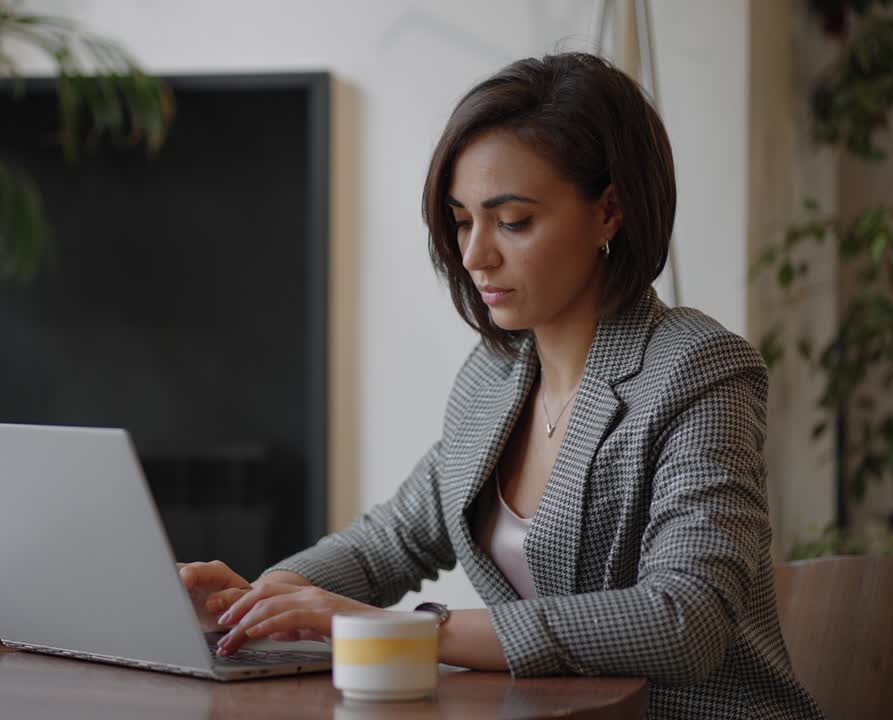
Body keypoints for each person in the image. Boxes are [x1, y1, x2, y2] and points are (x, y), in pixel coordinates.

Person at [179, 52, 825, 718]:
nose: (473, 255)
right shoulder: (492, 378)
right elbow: (391, 541)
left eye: (512, 221)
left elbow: (683, 620)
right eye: (462, 220)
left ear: (610, 210)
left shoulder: (699, 368)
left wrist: (411, 631)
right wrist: (263, 598)